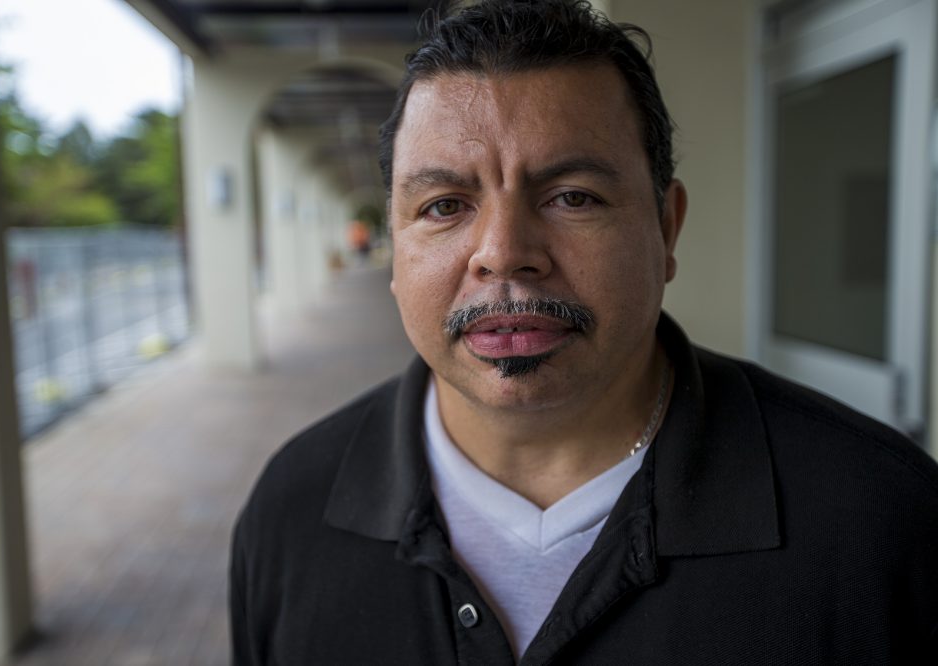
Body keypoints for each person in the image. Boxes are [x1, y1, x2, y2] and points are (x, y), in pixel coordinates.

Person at [230, 1, 938, 663]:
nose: (504, 252)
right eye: (445, 205)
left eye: (573, 197)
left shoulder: (881, 523)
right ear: (392, 247)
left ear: (666, 227)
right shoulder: (292, 511)